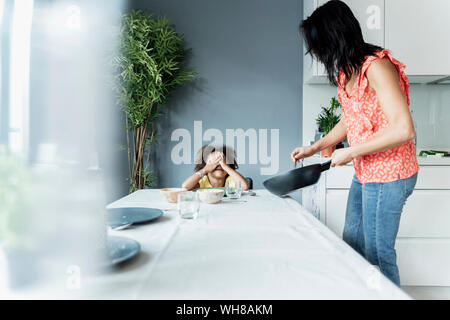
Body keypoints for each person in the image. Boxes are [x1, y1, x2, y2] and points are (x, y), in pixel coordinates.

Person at [291, 0, 418, 286]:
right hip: (367, 170)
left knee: (377, 252)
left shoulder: (377, 67)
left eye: (317, 44)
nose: (315, 52)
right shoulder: (347, 72)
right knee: (352, 245)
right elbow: (352, 119)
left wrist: (350, 152)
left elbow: (403, 128)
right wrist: (315, 147)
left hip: (390, 173)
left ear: (334, 36)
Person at [182, 145, 249, 191]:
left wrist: (226, 167)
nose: (219, 165)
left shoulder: (231, 180)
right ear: (204, 165)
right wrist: (205, 170)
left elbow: (244, 187)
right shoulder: (202, 181)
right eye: (213, 162)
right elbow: (185, 187)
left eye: (222, 161)